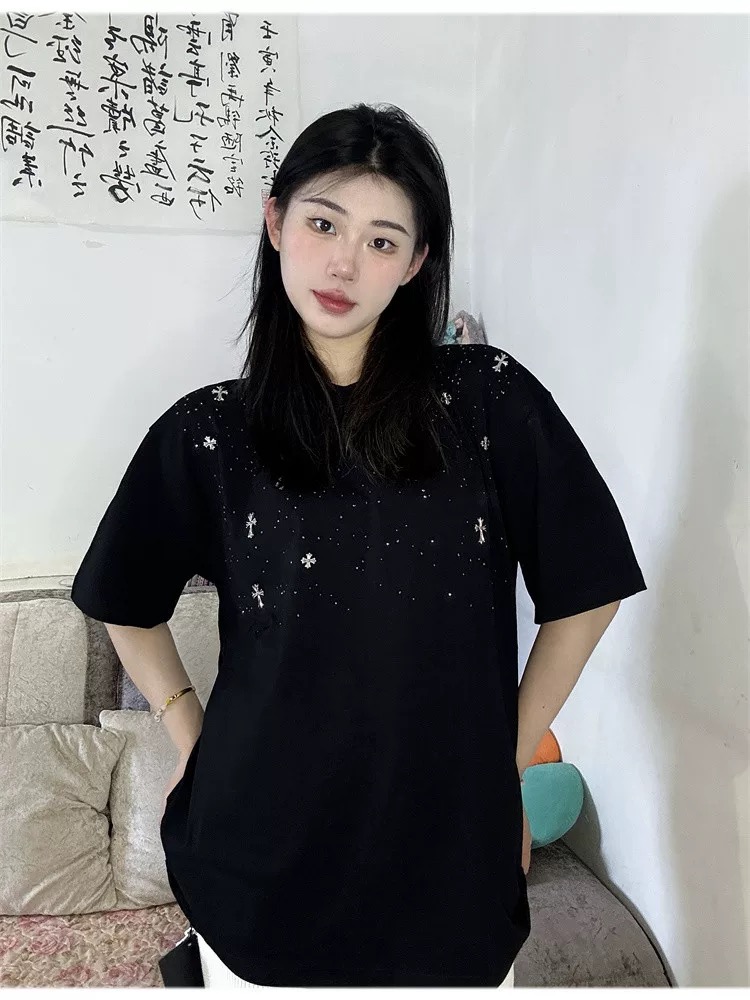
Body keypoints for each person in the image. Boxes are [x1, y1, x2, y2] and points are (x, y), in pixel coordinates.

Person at [70, 102, 647, 989]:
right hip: (257, 864)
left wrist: (507, 757)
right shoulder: (210, 434)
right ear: (275, 222)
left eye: (383, 241)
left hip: (449, 868)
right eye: (323, 224)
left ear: (416, 264)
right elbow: (122, 597)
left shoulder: (488, 402)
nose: (345, 262)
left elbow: (589, 585)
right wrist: (191, 729)